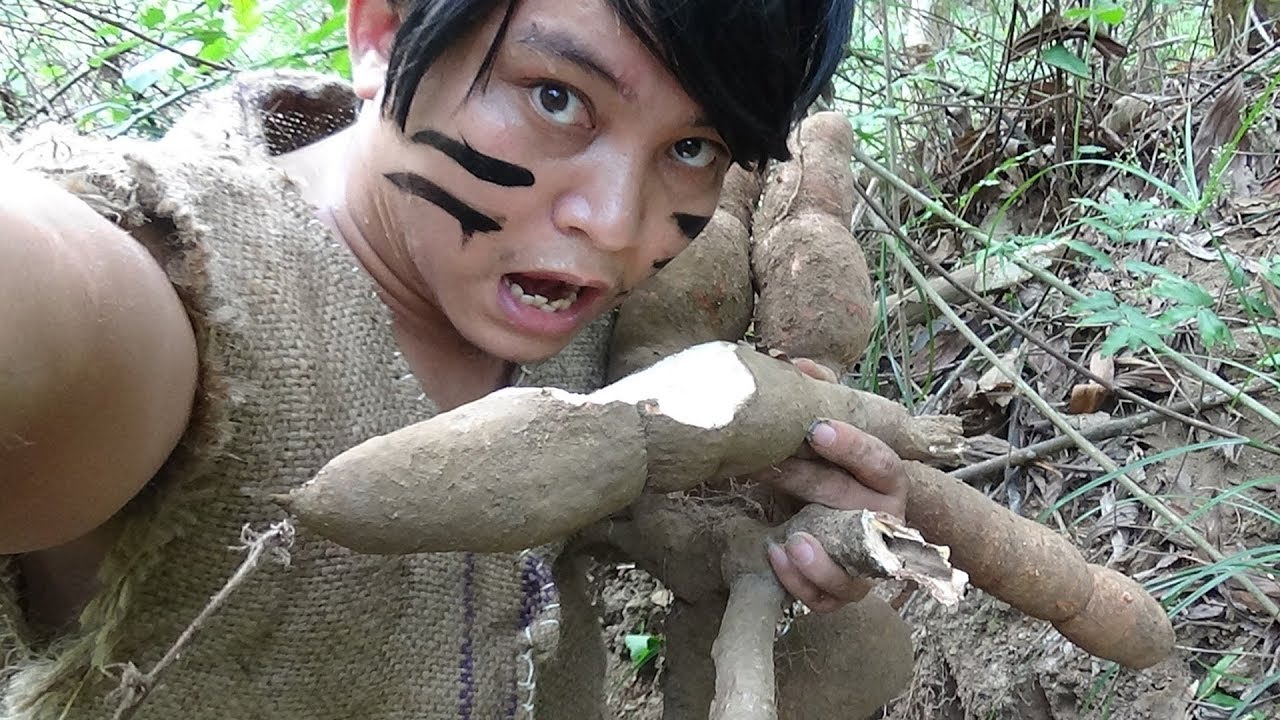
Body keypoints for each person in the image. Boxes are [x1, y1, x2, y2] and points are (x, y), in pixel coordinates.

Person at [0, 0, 910, 717]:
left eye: (691, 147)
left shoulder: (591, 319)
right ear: (383, 34)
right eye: (557, 98)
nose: (616, 220)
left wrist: (775, 504)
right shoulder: (186, 294)